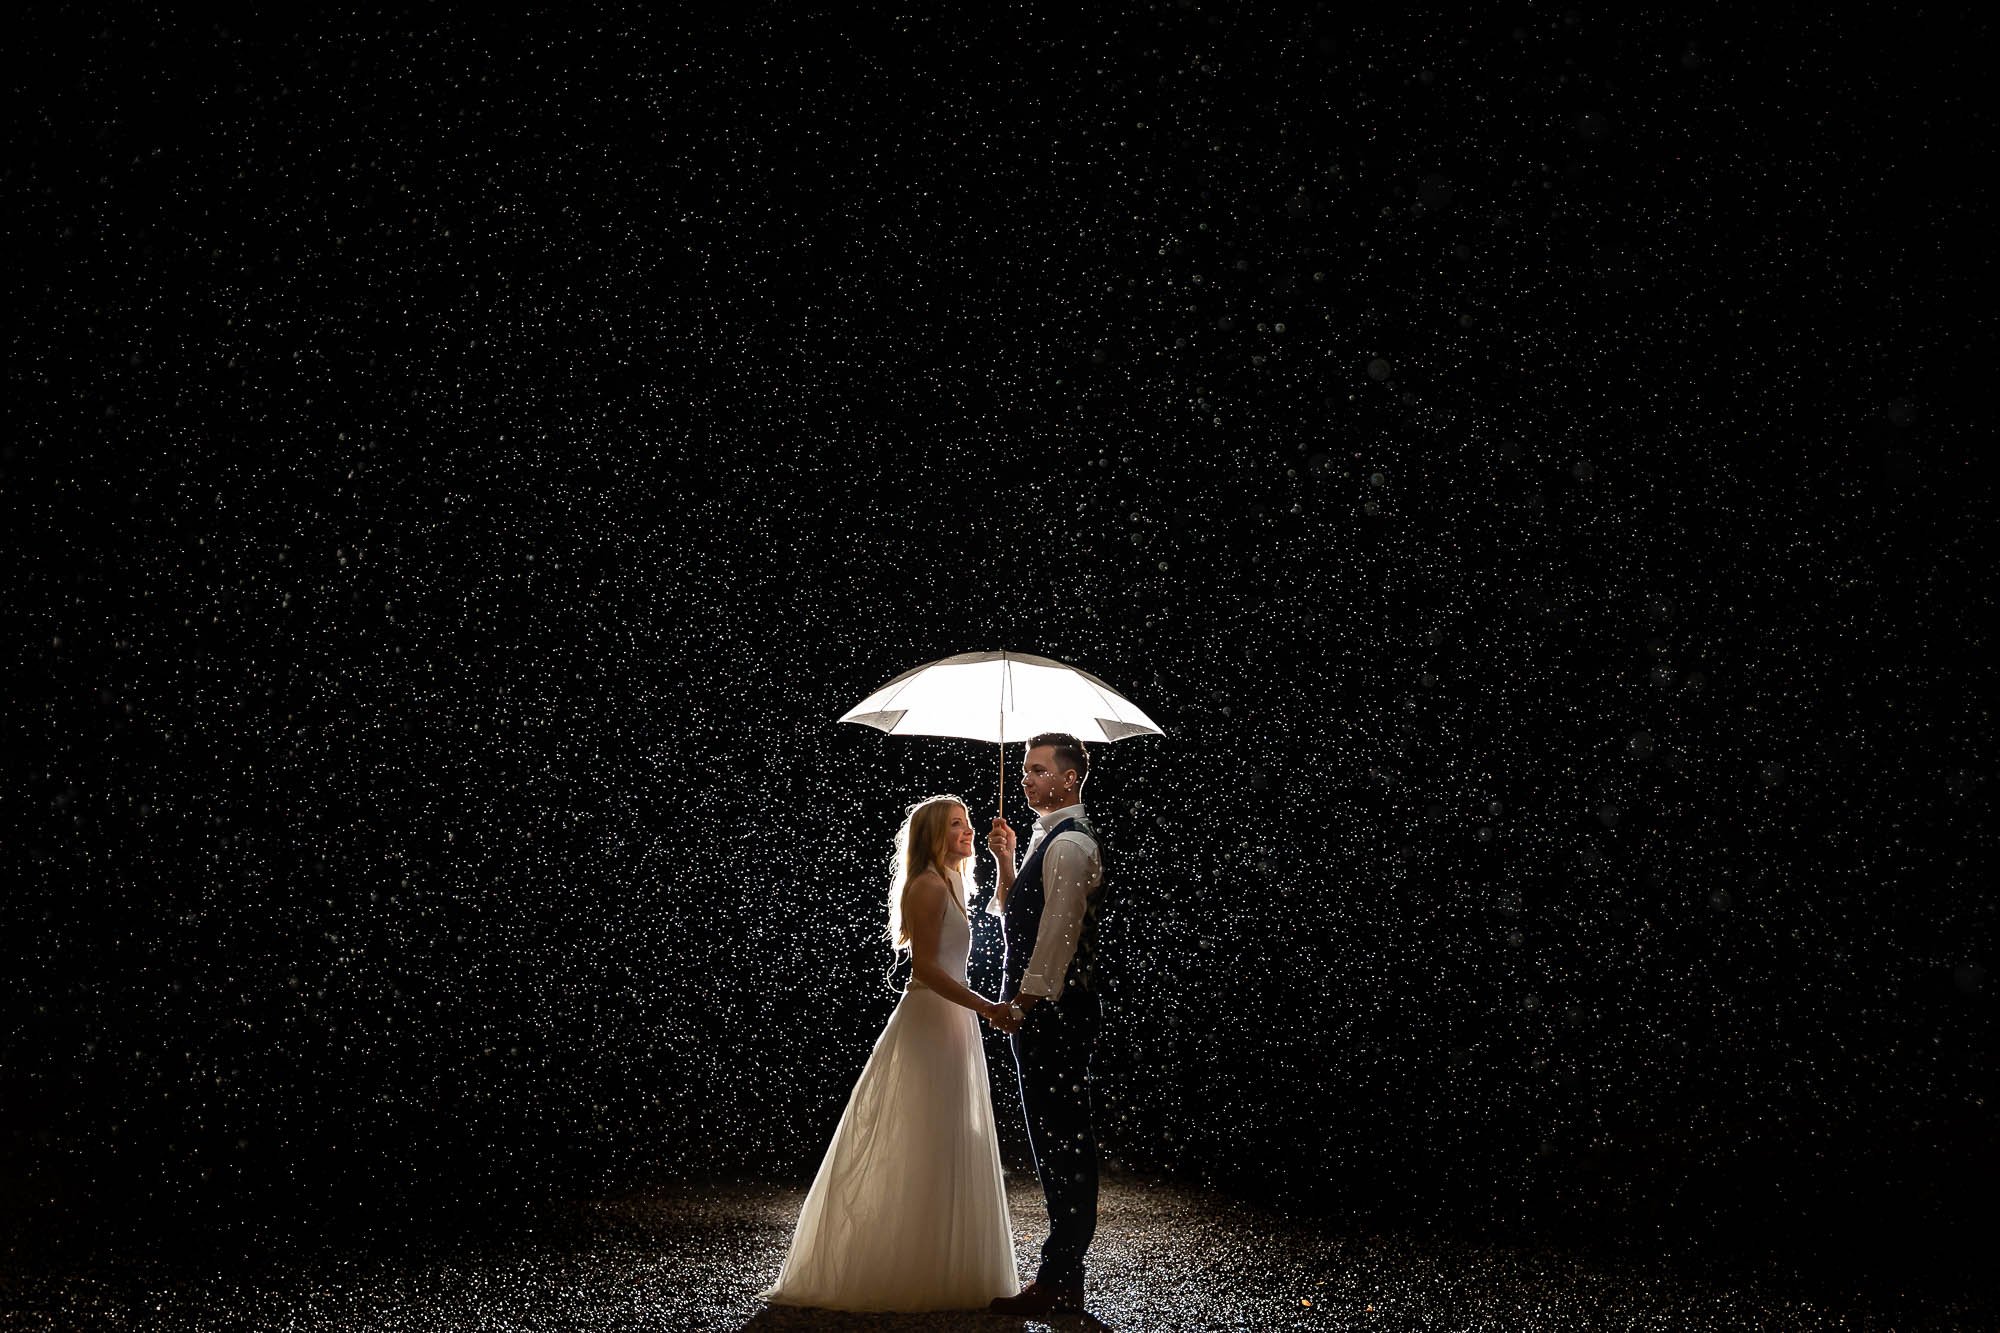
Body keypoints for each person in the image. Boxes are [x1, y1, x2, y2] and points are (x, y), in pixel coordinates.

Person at [758, 795, 1023, 1312]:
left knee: (949, 1135)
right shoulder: (925, 886)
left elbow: (1011, 913)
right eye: (956, 825)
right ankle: (909, 1265)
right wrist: (987, 1008)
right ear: (931, 835)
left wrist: (1004, 859)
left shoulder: (953, 883)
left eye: (968, 822)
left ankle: (946, 1262)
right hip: (931, 1021)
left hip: (953, 1022)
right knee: (923, 1134)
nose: (968, 831)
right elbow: (925, 968)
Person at [984, 732, 1108, 1318]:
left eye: (1037, 770)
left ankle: (1060, 1278)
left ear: (1070, 777)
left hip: (1053, 1014)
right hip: (1042, 1012)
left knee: (1064, 1142)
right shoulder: (1045, 839)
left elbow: (1056, 938)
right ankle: (1063, 1278)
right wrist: (1006, 863)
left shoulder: (1070, 845)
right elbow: (1015, 914)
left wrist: (1022, 1006)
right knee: (1051, 1139)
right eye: (1026, 770)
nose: (1027, 778)